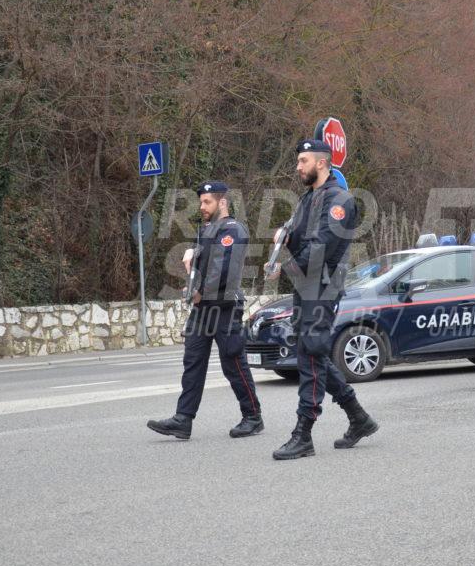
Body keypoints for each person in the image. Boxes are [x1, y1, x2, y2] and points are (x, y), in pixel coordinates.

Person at [267, 139, 379, 460]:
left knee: (310, 356)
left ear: (322, 162)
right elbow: (300, 236)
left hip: (323, 288)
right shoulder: (308, 199)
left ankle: (303, 434)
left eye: (303, 161)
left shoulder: (339, 201)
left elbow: (320, 247)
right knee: (312, 351)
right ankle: (359, 418)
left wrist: (285, 267)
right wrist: (283, 236)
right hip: (306, 288)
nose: (298, 167)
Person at [147, 181, 263, 440]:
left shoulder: (233, 229)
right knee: (193, 361)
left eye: (207, 201)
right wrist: (191, 284)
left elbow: (224, 272)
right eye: (200, 202)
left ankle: (253, 416)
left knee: (233, 364)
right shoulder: (207, 231)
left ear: (222, 202)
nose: (202, 206)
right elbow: (201, 269)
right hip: (202, 308)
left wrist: (199, 292)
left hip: (224, 307)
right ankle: (183, 419)